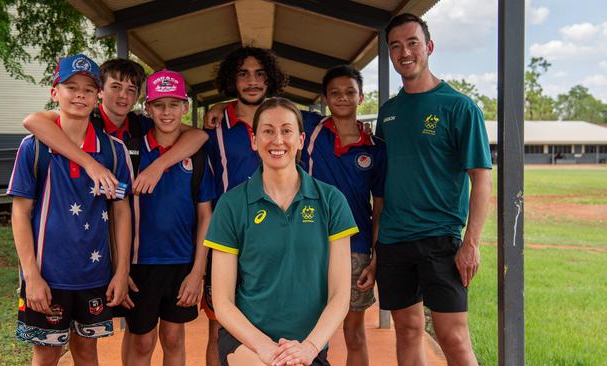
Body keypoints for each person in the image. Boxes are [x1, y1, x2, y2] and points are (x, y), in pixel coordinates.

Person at [375, 13, 493, 366]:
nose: (404, 52)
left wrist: (470, 243)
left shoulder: (459, 107)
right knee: (408, 332)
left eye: (412, 43)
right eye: (395, 46)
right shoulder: (389, 112)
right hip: (394, 241)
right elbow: (381, 181)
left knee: (454, 338)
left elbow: (482, 178)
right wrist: (377, 241)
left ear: (429, 46)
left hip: (440, 240)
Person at [205, 97, 356, 366]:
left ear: (300, 139)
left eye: (286, 130)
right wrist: (264, 348)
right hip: (248, 341)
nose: (277, 140)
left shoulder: (332, 201)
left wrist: (309, 347)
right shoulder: (231, 204)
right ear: (254, 140)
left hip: (308, 344)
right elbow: (223, 301)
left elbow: (340, 295)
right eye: (267, 131)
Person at [8, 54, 133, 365]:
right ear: (55, 93)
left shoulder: (114, 151)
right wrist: (31, 275)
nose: (79, 95)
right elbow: (20, 214)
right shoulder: (34, 147)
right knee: (46, 354)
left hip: (94, 275)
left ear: (98, 96)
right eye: (70, 87)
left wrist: (121, 271)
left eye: (88, 89)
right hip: (47, 277)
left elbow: (121, 212)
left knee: (87, 352)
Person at [201, 46, 288, 366]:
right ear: (231, 79)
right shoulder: (215, 126)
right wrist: (219, 108)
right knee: (218, 327)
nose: (252, 81)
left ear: (270, 79)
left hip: (278, 239)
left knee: (275, 326)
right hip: (230, 240)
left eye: (259, 73)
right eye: (243, 73)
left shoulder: (284, 118)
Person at [123, 70, 215, 365]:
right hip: (141, 264)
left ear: (185, 107)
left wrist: (197, 271)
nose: (166, 112)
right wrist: (121, 266)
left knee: (174, 338)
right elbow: (117, 213)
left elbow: (205, 215)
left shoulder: (198, 155)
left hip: (182, 263)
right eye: (159, 105)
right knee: (142, 341)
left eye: (174, 104)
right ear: (147, 108)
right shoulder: (132, 152)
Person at [22, 58, 208, 197]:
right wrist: (90, 164)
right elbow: (33, 121)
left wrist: (158, 166)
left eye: (131, 90)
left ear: (137, 98)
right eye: (116, 87)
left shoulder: (139, 124)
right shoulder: (85, 117)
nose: (123, 96)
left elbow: (198, 136)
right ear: (100, 91)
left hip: (122, 211)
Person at [301, 65, 386, 366]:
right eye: (334, 93)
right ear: (324, 98)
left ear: (361, 97)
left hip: (356, 248)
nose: (342, 98)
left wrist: (375, 258)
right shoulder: (310, 129)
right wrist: (220, 106)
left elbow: (379, 208)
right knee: (306, 331)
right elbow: (266, 107)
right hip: (309, 245)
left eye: (350, 92)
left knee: (353, 332)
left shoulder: (376, 149)